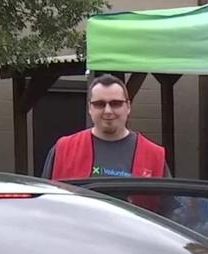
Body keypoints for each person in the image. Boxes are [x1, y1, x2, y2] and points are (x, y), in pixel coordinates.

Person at [42, 74, 171, 181]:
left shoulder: (154, 155)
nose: (108, 111)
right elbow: (44, 200)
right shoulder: (63, 149)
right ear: (90, 108)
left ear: (128, 107)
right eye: (100, 104)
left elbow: (170, 204)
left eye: (116, 103)